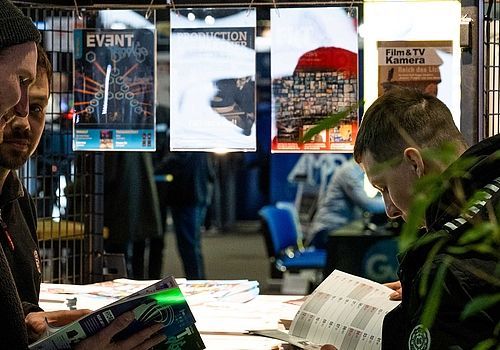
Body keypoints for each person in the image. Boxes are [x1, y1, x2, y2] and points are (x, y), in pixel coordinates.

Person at [0, 2, 165, 348]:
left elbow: (18, 307)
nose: (22, 118)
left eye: (36, 108)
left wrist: (36, 319)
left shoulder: (16, 199)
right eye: (19, 83)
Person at [322, 87, 499, 349]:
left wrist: (436, 298)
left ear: (414, 163)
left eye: (384, 187)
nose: (390, 210)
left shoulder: (450, 267)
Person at [150, 105, 215, 280]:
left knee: (189, 245)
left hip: (187, 194)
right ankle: (198, 282)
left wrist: (152, 171)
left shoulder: (185, 130)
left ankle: (198, 283)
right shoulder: (193, 127)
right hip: (190, 192)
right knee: (190, 245)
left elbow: (178, 158)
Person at [307, 158, 385, 249]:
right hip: (327, 232)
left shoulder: (361, 173)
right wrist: (393, 203)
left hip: (343, 231)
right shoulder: (349, 172)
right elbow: (369, 205)